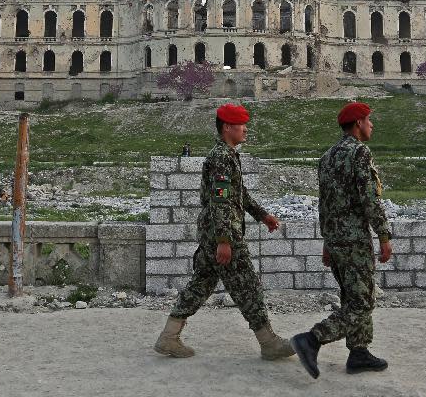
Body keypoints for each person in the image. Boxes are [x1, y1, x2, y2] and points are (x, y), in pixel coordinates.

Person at [154, 103, 294, 361]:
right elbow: (221, 201)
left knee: (201, 285)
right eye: (242, 124)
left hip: (214, 232)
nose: (246, 129)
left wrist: (262, 215)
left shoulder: (227, 155)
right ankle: (269, 342)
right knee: (248, 286)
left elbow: (239, 195)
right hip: (223, 232)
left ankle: (169, 336)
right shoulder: (221, 158)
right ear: (228, 127)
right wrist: (224, 240)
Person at [291, 101, 393, 378]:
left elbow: (326, 204)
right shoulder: (359, 152)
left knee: (352, 298)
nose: (372, 125)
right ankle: (312, 339)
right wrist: (383, 234)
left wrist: (327, 241)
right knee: (362, 303)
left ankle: (359, 352)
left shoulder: (327, 157)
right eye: (369, 120)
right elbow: (370, 199)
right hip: (354, 241)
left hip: (335, 240)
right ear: (358, 123)